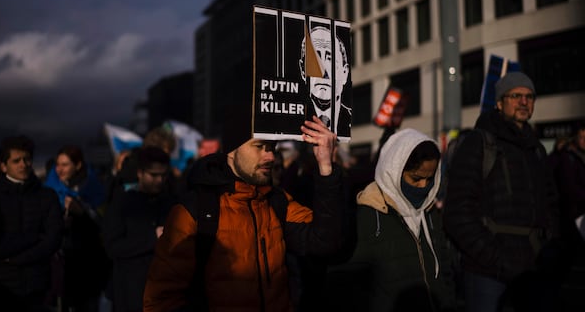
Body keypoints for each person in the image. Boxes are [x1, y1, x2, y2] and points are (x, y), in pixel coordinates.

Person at [143, 115, 343, 312]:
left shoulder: (277, 201)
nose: (270, 156)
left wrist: (326, 168)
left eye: (272, 147)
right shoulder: (195, 210)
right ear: (232, 150)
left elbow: (326, 243)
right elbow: (161, 300)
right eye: (259, 146)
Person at [443, 71, 560, 312]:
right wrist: (495, 258)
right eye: (515, 96)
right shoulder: (479, 143)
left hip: (534, 268)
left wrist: (551, 248)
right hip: (488, 274)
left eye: (529, 97)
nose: (524, 102)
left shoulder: (536, 148)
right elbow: (457, 213)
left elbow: (551, 203)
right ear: (499, 102)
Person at [329, 128, 455, 312]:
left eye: (430, 180)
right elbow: (348, 286)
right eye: (416, 179)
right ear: (394, 170)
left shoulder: (429, 212)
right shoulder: (367, 216)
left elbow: (444, 268)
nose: (424, 187)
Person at [0, 135, 63, 311]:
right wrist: (35, 238)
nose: (23, 164)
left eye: (27, 159)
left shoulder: (47, 196)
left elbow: (53, 239)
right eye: (16, 160)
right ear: (4, 165)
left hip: (36, 285)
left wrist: (15, 259)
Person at [102, 146, 177, 312]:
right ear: (140, 173)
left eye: (163, 175)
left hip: (165, 293)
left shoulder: (171, 203)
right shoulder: (122, 203)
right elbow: (113, 247)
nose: (159, 180)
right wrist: (152, 237)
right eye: (153, 175)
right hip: (132, 293)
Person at [45, 145, 108, 312]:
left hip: (88, 260)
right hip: (60, 260)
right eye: (58, 164)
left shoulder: (93, 186)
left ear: (78, 165)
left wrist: (82, 211)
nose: (60, 169)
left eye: (65, 164)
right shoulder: (50, 187)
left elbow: (104, 222)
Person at [299, 25, 351, 138]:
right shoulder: (291, 122)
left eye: (330, 59)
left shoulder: (353, 122)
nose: (323, 70)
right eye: (314, 59)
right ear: (303, 70)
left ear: (345, 73)